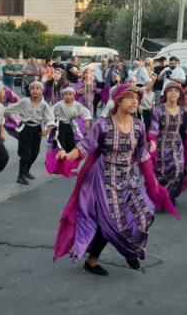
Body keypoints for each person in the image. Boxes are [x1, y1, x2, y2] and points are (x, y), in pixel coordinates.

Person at [53, 84, 178, 276]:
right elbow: (84, 147)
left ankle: (126, 248)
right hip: (105, 181)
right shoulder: (102, 125)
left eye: (137, 98)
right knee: (114, 224)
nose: (135, 101)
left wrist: (152, 184)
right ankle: (106, 257)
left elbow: (143, 155)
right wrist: (66, 156)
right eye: (130, 98)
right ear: (118, 101)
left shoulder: (138, 125)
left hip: (130, 179)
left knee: (145, 216)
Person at [5, 81, 55, 185]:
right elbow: (10, 109)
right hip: (25, 129)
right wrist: (4, 115)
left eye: (38, 88)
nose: (35, 90)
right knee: (25, 154)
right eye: (32, 88)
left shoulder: (44, 104)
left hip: (37, 130)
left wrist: (47, 130)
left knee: (34, 153)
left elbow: (50, 118)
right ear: (29, 90)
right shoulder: (25, 101)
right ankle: (20, 175)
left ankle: (26, 171)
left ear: (42, 91)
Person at [149, 83, 187, 203]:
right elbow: (153, 130)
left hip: (177, 145)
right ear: (166, 94)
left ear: (180, 95)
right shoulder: (158, 110)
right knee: (162, 173)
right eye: (170, 91)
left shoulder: (183, 111)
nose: (173, 93)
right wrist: (152, 143)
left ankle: (169, 196)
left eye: (176, 91)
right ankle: (159, 197)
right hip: (161, 146)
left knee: (178, 171)